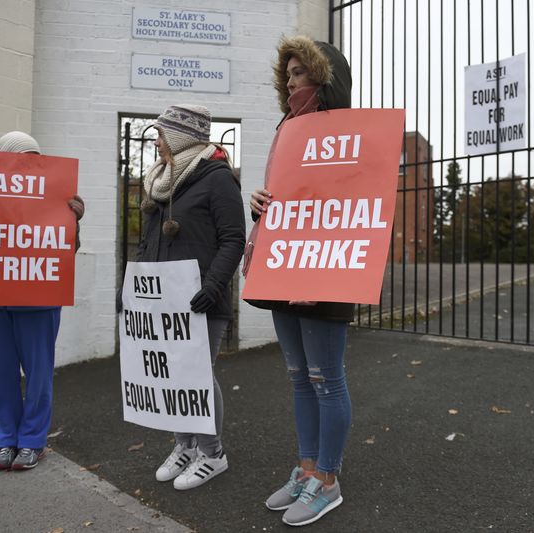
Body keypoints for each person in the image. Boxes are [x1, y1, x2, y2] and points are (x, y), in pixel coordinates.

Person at [248, 36, 354, 526]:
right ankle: (307, 469)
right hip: (284, 262)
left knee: (325, 379)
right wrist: (261, 203)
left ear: (322, 77)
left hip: (326, 267)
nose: (289, 81)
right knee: (297, 378)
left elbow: (359, 198)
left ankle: (328, 482)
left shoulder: (351, 133)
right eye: (286, 74)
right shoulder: (286, 130)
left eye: (298, 73)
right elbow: (283, 192)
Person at [0, 131, 85, 470]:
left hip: (40, 300)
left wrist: (74, 222)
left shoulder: (54, 194)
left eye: (33, 158)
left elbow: (64, 249)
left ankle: (32, 442)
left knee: (38, 375)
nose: (28, 165)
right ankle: (7, 441)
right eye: (20, 157)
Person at [137, 105, 245, 490]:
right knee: (172, 377)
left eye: (162, 134)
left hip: (202, 299)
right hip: (163, 302)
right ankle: (185, 444)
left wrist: (212, 287)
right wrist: (134, 293)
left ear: (180, 137)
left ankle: (213, 454)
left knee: (196, 375)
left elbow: (234, 239)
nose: (157, 141)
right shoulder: (159, 180)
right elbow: (146, 242)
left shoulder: (217, 179)